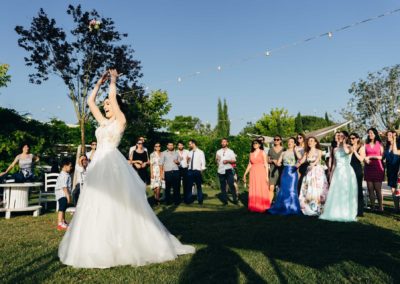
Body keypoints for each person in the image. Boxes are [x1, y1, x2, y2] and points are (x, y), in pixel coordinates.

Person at [59, 69, 194, 268]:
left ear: (116, 106)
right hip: (98, 166)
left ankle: (122, 243)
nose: (105, 107)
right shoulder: (103, 123)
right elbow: (89, 103)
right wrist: (98, 83)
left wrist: (113, 80)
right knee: (96, 203)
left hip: (112, 165)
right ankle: (95, 243)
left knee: (116, 203)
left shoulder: (120, 122)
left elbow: (113, 97)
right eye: (104, 105)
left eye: (108, 105)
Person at [320, 131, 358, 222]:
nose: (340, 137)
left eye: (342, 136)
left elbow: (346, 152)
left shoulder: (350, 147)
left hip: (347, 171)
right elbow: (334, 164)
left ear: (345, 137)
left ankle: (346, 212)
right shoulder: (335, 149)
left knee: (346, 191)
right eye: (339, 136)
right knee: (336, 191)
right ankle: (335, 211)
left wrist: (344, 143)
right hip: (338, 171)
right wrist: (331, 173)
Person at [268, 137, 302, 215]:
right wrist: (275, 162)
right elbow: (279, 163)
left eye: (292, 142)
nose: (289, 143)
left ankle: (293, 207)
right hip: (285, 172)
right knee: (283, 190)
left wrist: (296, 150)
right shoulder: (283, 153)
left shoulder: (296, 151)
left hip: (292, 172)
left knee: (292, 190)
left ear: (294, 143)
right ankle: (283, 206)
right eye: (289, 141)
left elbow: (300, 158)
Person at [298, 137, 329, 216]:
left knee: (317, 189)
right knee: (309, 189)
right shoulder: (306, 152)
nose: (309, 142)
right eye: (308, 141)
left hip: (317, 171)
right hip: (309, 172)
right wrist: (294, 166)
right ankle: (308, 207)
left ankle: (319, 208)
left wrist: (313, 164)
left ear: (315, 142)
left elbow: (318, 160)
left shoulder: (319, 151)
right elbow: (301, 161)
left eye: (311, 141)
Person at [243, 139, 270, 212]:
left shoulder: (262, 152)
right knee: (254, 187)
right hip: (253, 173)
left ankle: (263, 206)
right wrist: (245, 174)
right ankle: (254, 206)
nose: (255, 144)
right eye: (253, 143)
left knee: (261, 187)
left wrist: (267, 176)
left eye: (256, 143)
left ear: (260, 145)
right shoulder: (251, 153)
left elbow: (266, 164)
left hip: (261, 172)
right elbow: (250, 164)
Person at [363, 127, 384, 212]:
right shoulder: (365, 144)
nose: (370, 134)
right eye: (369, 133)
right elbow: (363, 155)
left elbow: (382, 157)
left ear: (375, 134)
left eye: (371, 133)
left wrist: (371, 156)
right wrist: (365, 159)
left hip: (378, 168)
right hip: (368, 168)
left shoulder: (380, 144)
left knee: (378, 189)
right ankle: (373, 207)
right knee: (370, 188)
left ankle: (381, 207)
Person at [216, 138, 238, 205]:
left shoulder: (231, 151)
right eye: (222, 142)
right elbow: (216, 161)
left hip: (228, 169)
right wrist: (217, 160)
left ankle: (235, 199)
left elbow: (234, 160)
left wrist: (228, 161)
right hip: (220, 170)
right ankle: (225, 201)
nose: (223, 143)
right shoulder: (218, 151)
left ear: (227, 143)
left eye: (224, 142)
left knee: (231, 185)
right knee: (223, 186)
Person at [349, 133, 365, 217]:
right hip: (349, 169)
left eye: (353, 138)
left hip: (357, 169)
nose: (351, 140)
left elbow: (362, 159)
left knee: (358, 189)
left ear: (357, 139)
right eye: (350, 138)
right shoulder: (348, 147)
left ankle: (360, 211)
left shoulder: (361, 147)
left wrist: (354, 151)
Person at [55, 158, 73, 231]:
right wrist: (68, 195)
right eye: (70, 166)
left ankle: (63, 221)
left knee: (64, 207)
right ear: (65, 166)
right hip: (62, 194)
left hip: (63, 194)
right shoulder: (64, 175)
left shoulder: (65, 174)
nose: (71, 167)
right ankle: (59, 223)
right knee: (62, 208)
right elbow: (64, 186)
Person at [384, 131, 400, 213]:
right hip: (390, 170)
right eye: (387, 135)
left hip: (397, 169)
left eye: (390, 135)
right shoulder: (386, 147)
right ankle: (396, 208)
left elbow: (396, 152)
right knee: (393, 189)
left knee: (398, 190)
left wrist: (394, 140)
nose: (388, 136)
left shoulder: (398, 145)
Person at [186, 139, 206, 204]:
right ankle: (189, 200)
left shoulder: (200, 152)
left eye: (190, 144)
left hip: (197, 171)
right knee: (189, 186)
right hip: (190, 171)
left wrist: (202, 171)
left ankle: (200, 200)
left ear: (193, 144)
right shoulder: (189, 152)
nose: (189, 145)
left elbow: (203, 162)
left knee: (199, 186)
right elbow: (187, 163)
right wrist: (187, 161)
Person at [268, 135, 284, 202]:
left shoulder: (284, 149)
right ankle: (268, 204)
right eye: (275, 139)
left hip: (282, 170)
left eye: (278, 139)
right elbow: (267, 160)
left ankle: (278, 203)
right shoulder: (271, 149)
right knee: (271, 187)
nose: (276, 141)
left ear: (280, 140)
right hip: (272, 170)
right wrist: (272, 161)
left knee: (280, 187)